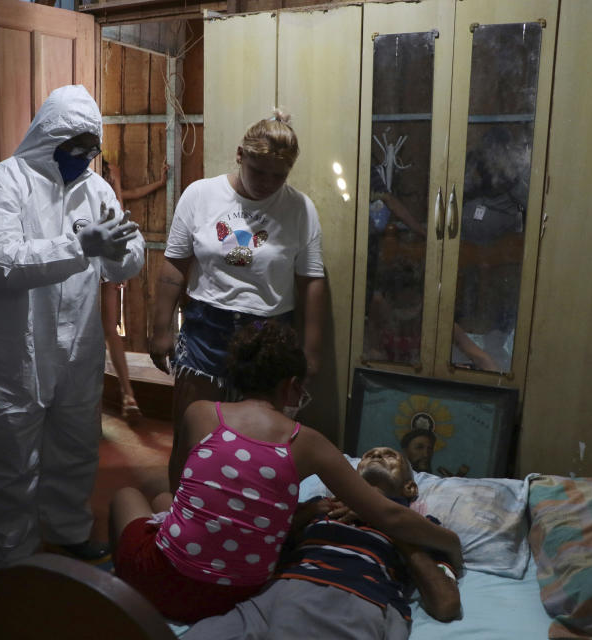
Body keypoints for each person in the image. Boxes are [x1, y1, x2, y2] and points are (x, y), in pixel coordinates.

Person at [111, 322, 462, 624]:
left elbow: (179, 490)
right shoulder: (307, 443)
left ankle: (121, 601)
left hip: (161, 580)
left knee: (130, 497)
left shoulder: (200, 414)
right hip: (234, 596)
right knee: (156, 500)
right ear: (292, 384)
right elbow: (388, 515)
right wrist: (450, 541)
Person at [0, 85, 144, 568]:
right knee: (11, 459)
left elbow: (127, 263)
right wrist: (79, 247)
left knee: (76, 446)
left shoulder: (97, 188)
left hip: (78, 347)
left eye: (91, 148)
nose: (83, 157)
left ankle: (68, 529)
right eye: (74, 146)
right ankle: (12, 555)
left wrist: (119, 250)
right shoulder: (0, 185)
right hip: (15, 350)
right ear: (48, 137)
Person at [148, 112, 327, 486]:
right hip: (206, 328)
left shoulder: (300, 209)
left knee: (260, 443)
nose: (267, 183)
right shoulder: (200, 195)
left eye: (278, 176)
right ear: (239, 155)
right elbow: (173, 267)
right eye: (258, 171)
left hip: (270, 335)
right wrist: (160, 329)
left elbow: (311, 281)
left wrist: (311, 351)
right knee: (191, 434)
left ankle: (242, 515)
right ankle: (178, 513)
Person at [182, 445, 462, 639]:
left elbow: (446, 605)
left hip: (352, 596)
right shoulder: (317, 506)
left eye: (389, 456)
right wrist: (305, 514)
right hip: (277, 592)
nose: (377, 454)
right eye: (369, 455)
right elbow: (254, 548)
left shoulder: (422, 529)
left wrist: (389, 523)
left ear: (410, 488)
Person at [100, 154, 168, 424]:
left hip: (109, 251)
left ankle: (128, 394)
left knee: (109, 325)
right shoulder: (87, 173)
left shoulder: (108, 171)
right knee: (95, 326)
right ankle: (120, 395)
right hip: (89, 249)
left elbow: (122, 202)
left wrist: (160, 184)